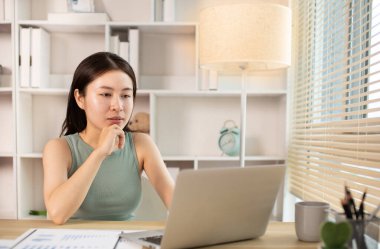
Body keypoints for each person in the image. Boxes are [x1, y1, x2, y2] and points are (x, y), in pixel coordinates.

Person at [42, 52, 174, 225]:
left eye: (126, 95)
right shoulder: (59, 148)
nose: (118, 106)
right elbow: (58, 214)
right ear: (80, 98)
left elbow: (178, 205)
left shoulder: (141, 144)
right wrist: (100, 153)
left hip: (125, 239)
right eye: (105, 94)